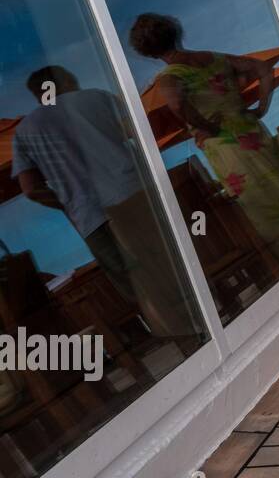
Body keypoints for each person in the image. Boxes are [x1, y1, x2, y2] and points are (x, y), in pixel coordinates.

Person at [11, 66, 202, 341]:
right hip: (132, 192)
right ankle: (201, 319)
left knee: (135, 280)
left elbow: (30, 189)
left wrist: (68, 202)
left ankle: (178, 333)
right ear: (65, 80)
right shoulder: (97, 98)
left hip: (89, 217)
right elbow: (140, 133)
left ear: (36, 93)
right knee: (169, 259)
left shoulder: (25, 132)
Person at [128, 13, 279, 265]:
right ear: (174, 33)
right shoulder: (212, 57)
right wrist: (261, 108)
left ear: (148, 52)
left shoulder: (170, 77)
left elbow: (178, 105)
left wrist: (203, 126)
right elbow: (263, 69)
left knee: (262, 203)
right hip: (251, 131)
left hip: (225, 145)